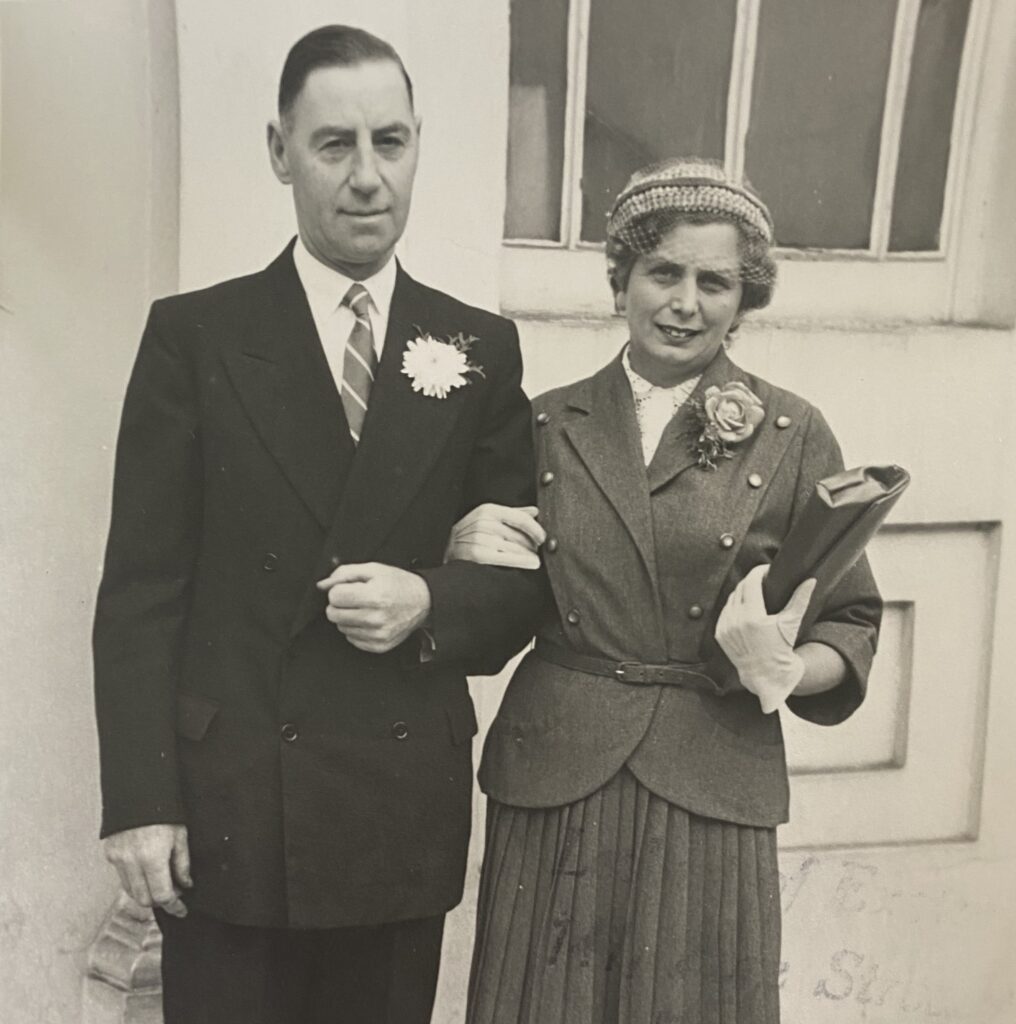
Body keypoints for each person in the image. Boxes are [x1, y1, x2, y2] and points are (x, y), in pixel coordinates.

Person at [92, 24, 543, 1024]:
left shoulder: (477, 347)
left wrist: (430, 598)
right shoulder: (194, 337)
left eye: (390, 141)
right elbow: (140, 591)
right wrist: (139, 800)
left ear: (418, 143)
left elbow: (521, 581)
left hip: (395, 812)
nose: (367, 176)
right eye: (334, 145)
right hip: (232, 806)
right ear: (278, 151)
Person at [449, 158, 883, 1024]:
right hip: (559, 769)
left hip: (710, 776)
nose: (686, 302)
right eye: (663, 272)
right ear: (622, 280)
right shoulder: (545, 420)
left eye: (714, 281)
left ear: (743, 299)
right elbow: (490, 599)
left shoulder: (793, 432)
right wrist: (459, 546)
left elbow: (852, 618)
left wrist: (794, 671)